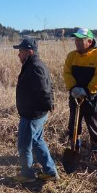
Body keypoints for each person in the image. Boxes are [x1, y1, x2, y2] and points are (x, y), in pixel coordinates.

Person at [13, 38, 58, 183]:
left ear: (29, 51)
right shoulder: (34, 64)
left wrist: (48, 105)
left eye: (21, 51)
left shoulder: (35, 67)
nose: (18, 55)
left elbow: (44, 90)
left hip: (32, 114)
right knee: (38, 141)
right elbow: (48, 87)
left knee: (24, 145)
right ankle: (51, 172)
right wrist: (49, 105)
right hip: (35, 113)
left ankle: (27, 175)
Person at [63, 28, 97, 156]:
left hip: (92, 99)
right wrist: (73, 89)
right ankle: (75, 149)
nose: (77, 42)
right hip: (75, 97)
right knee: (74, 126)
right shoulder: (71, 56)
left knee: (95, 127)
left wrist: (86, 90)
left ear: (89, 41)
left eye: (80, 40)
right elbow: (66, 73)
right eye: (76, 40)